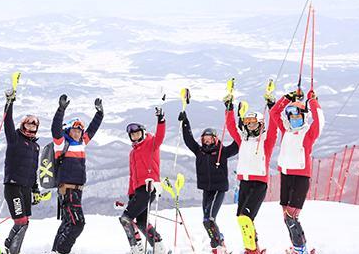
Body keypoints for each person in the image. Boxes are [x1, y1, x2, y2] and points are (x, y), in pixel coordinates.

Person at [271, 90, 324, 254]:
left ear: (303, 117)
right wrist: (288, 98)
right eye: (291, 117)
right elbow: (274, 112)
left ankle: (300, 249)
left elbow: (319, 121)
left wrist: (312, 101)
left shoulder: (308, 133)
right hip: (286, 175)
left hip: (301, 176)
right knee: (286, 217)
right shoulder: (285, 130)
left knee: (291, 217)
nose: (294, 120)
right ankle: (299, 247)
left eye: (297, 116)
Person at [179, 110, 238, 254]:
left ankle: (217, 246)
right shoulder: (199, 151)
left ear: (215, 139)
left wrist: (241, 127)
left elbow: (237, 145)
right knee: (208, 220)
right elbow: (189, 140)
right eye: (205, 139)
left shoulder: (222, 152)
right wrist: (185, 123)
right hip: (207, 189)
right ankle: (220, 240)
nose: (207, 141)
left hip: (219, 189)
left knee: (208, 219)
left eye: (210, 139)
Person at [224, 94, 278, 254]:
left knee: (245, 218)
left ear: (261, 124)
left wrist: (271, 107)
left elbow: (274, 127)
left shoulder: (266, 141)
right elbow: (231, 127)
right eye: (247, 123)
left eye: (253, 124)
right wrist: (229, 108)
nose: (250, 126)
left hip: (259, 183)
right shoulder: (243, 140)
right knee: (242, 218)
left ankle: (252, 250)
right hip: (244, 183)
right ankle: (252, 247)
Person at [51, 94, 104, 254]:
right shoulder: (62, 144)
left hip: (77, 189)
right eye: (75, 129)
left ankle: (55, 250)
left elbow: (92, 129)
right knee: (77, 223)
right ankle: (62, 251)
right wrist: (61, 110)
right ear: (68, 130)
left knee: (68, 222)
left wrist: (99, 113)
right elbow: (55, 129)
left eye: (80, 130)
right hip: (67, 189)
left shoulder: (81, 143)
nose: (78, 132)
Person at [119, 107, 169, 254]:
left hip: (149, 187)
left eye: (137, 133)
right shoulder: (132, 153)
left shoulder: (151, 143)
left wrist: (161, 120)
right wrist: (130, 194)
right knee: (141, 222)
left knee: (125, 218)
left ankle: (136, 248)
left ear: (143, 133)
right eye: (132, 135)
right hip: (138, 190)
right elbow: (132, 175)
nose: (135, 136)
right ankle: (159, 247)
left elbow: (160, 136)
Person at [1, 89, 43, 254]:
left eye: (34, 124)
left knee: (25, 222)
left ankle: (9, 245)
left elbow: (33, 170)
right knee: (20, 221)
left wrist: (35, 189)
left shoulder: (35, 146)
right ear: (23, 124)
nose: (31, 126)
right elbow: (7, 121)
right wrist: (9, 102)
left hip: (26, 188)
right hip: (13, 186)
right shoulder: (15, 138)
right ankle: (12, 250)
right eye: (28, 123)